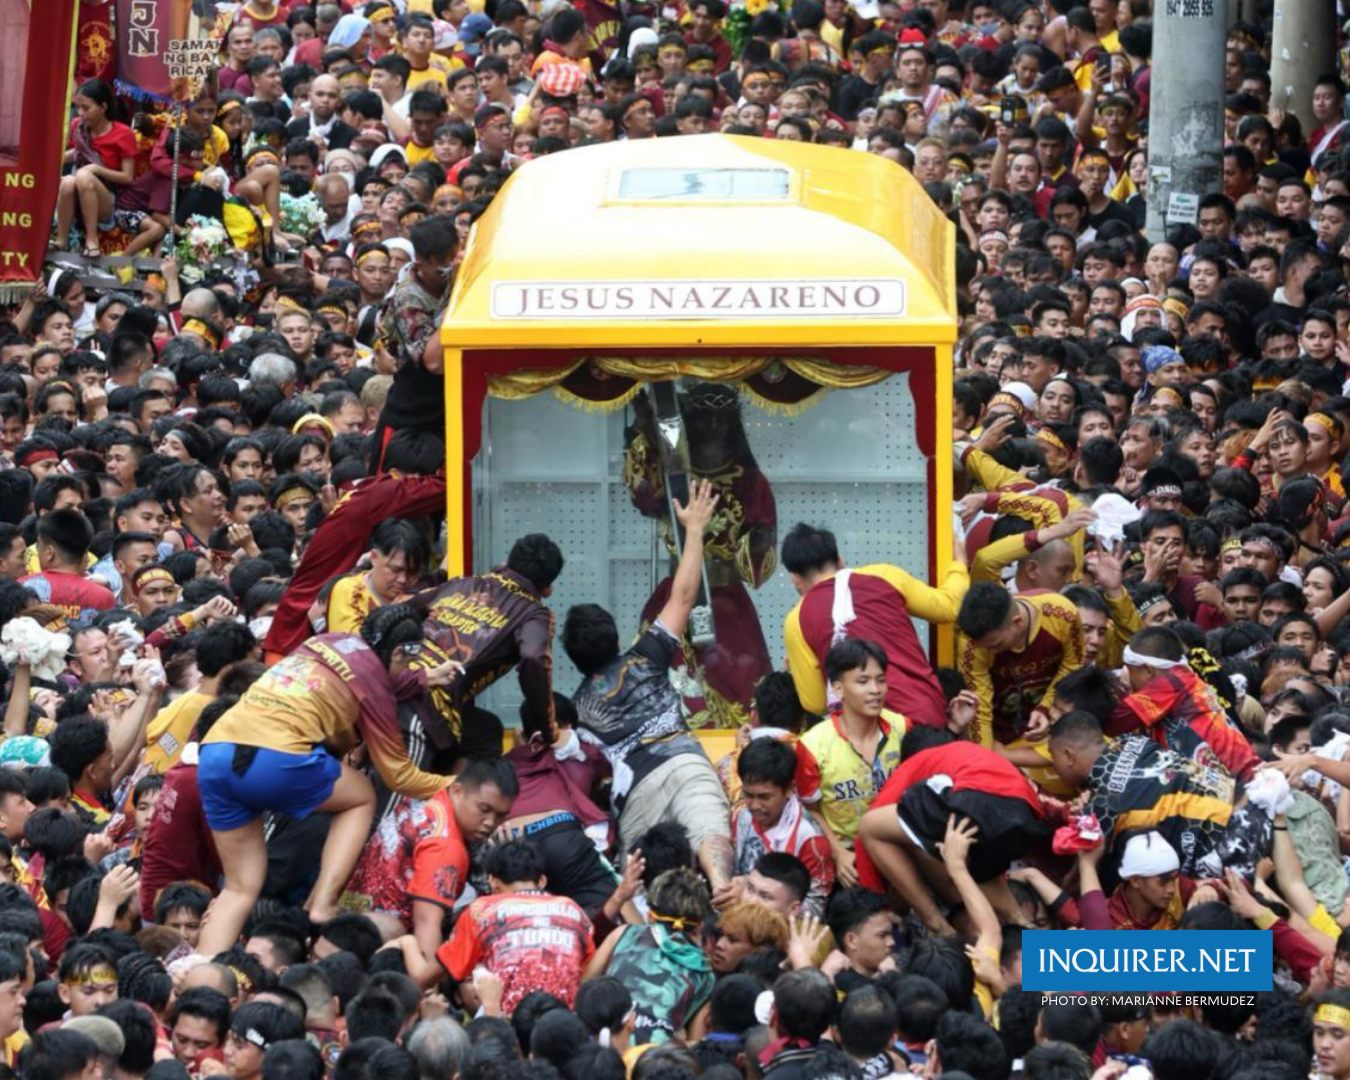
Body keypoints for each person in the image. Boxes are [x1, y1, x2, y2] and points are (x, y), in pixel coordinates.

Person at [194, 604, 461, 955]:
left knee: (240, 888)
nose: (410, 668)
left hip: (217, 753)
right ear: (397, 651)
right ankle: (321, 902)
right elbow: (399, 776)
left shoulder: (330, 641)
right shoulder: (376, 688)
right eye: (409, 661)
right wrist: (455, 787)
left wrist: (424, 678)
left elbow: (367, 678)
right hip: (274, 759)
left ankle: (197, 970)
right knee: (362, 794)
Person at [564, 479, 733, 892]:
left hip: (638, 792)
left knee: (641, 892)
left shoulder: (577, 709)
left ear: (573, 659)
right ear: (616, 637)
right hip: (686, 763)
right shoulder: (645, 657)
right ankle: (722, 885)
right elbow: (684, 595)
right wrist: (694, 529)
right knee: (711, 833)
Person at [782, 522, 968, 729]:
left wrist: (798, 673)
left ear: (795, 578)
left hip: (869, 737)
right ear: (840, 560)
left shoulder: (796, 620)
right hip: (925, 717)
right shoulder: (884, 575)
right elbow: (946, 607)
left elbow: (816, 703)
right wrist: (959, 565)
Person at [399, 839, 594, 1013]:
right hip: (567, 1026)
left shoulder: (482, 911)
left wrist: (406, 941)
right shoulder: (573, 909)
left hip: (508, 1032)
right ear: (542, 881)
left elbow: (422, 979)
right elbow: (588, 973)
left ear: (492, 880)